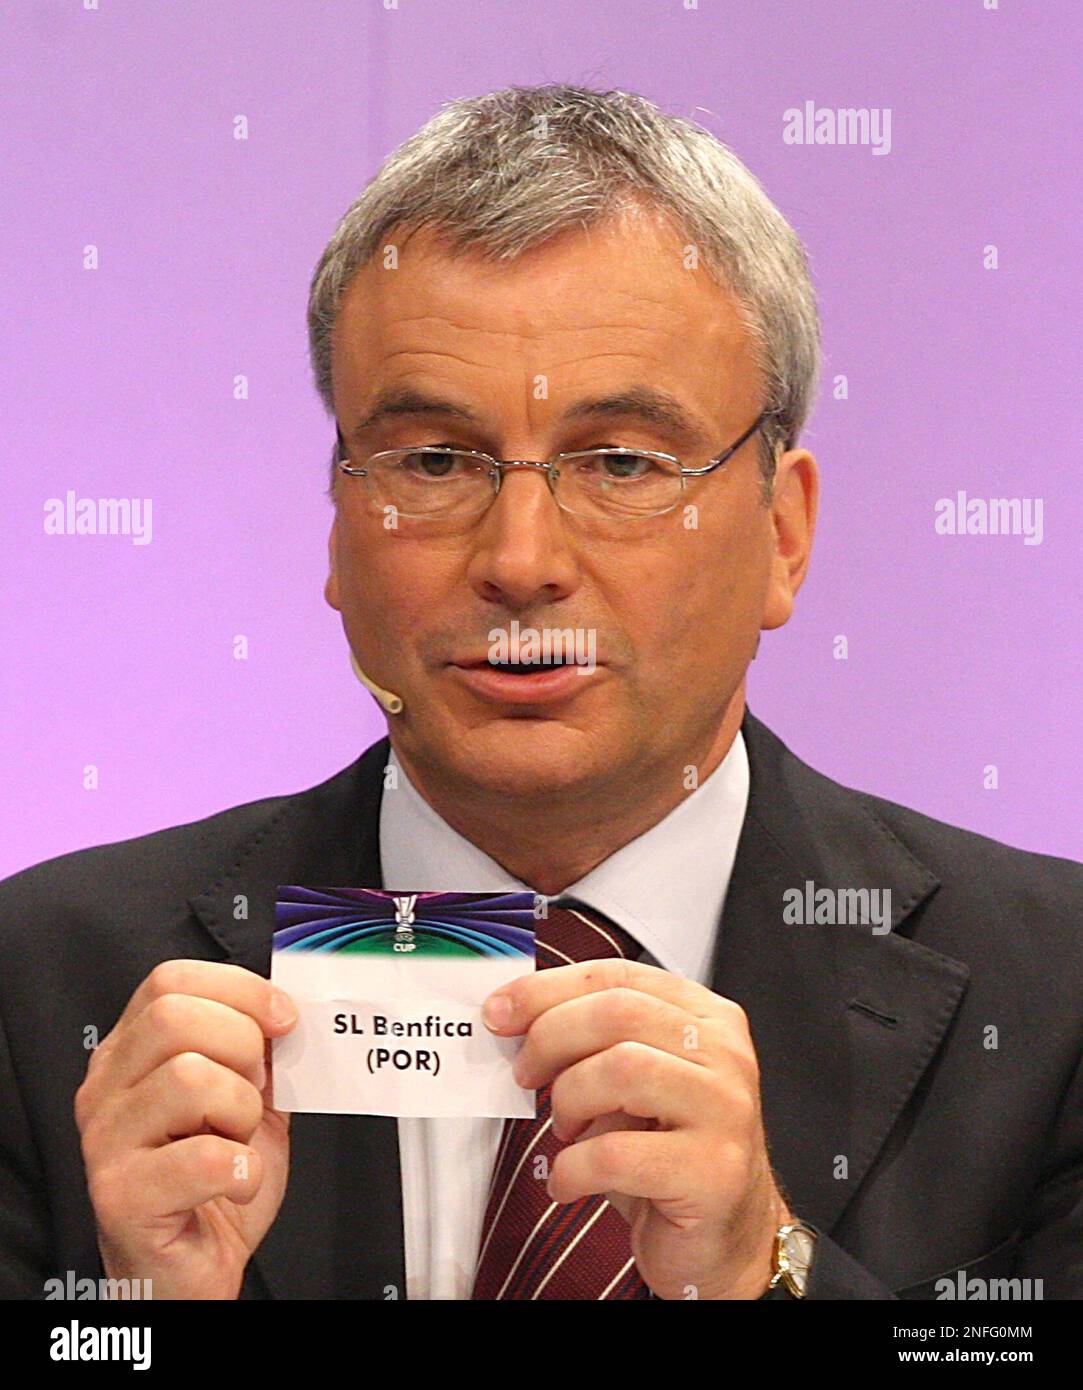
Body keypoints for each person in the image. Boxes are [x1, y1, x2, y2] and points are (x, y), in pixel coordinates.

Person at [1, 84, 1080, 1302]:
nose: (521, 559)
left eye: (622, 461)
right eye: (435, 462)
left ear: (784, 533)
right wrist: (140, 1312)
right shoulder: (48, 984)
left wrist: (761, 1276)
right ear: (341, 528)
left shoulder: (1054, 997)